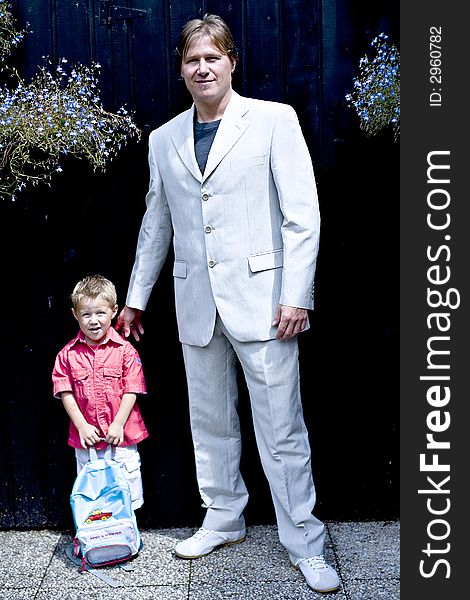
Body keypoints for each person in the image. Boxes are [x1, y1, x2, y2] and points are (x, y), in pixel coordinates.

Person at [116, 13, 340, 593]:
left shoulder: (272, 121)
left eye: (212, 57)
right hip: (196, 302)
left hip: (266, 303)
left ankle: (305, 542)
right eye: (192, 60)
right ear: (182, 70)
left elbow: (303, 216)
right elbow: (155, 223)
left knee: (281, 428)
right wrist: (136, 299)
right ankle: (224, 517)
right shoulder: (163, 139)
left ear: (231, 62)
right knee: (209, 421)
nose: (202, 68)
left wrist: (297, 294)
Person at [52, 274, 148, 511]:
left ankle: (127, 533)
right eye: (86, 314)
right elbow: (65, 392)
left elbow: (132, 389)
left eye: (100, 313)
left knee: (127, 486)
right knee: (92, 492)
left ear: (114, 311)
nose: (93, 321)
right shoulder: (66, 355)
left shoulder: (125, 351)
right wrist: (82, 426)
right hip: (88, 441)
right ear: (76, 315)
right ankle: (97, 540)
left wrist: (118, 424)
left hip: (122, 436)